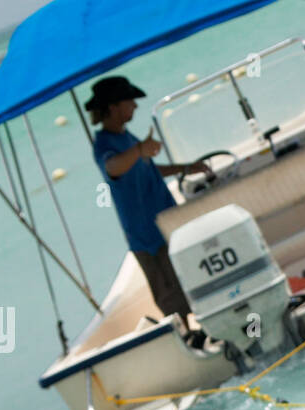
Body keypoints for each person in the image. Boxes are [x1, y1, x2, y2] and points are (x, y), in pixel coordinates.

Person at [85, 75, 214, 348]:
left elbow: (146, 170)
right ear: (113, 106)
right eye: (129, 101)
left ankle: (202, 331)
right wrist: (140, 149)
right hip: (146, 235)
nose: (134, 106)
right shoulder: (105, 145)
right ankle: (188, 341)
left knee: (188, 278)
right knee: (169, 294)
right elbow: (114, 168)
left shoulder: (127, 138)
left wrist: (186, 167)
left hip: (166, 221)